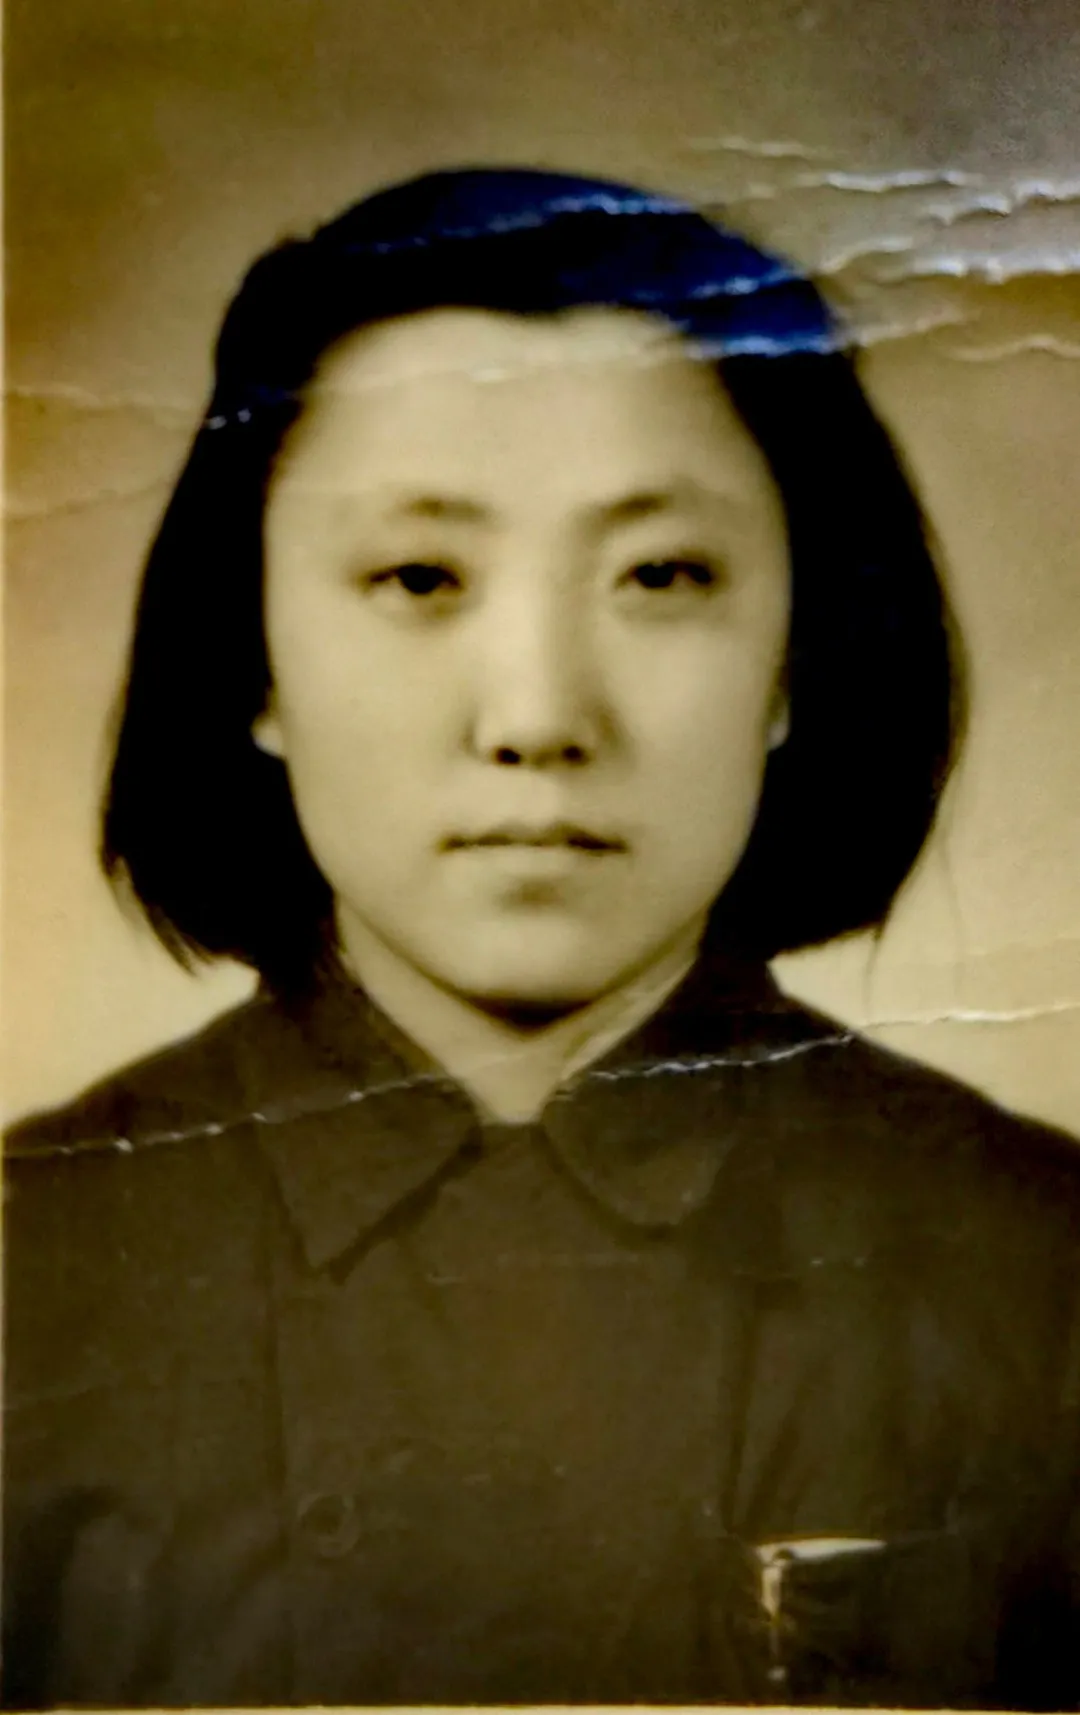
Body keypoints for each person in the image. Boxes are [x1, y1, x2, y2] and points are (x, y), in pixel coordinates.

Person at [3, 166, 1078, 1710]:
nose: (537, 716)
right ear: (255, 661)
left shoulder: (1044, 1273)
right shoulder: (30, 1268)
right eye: (419, 576)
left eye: (662, 576)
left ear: (791, 661)